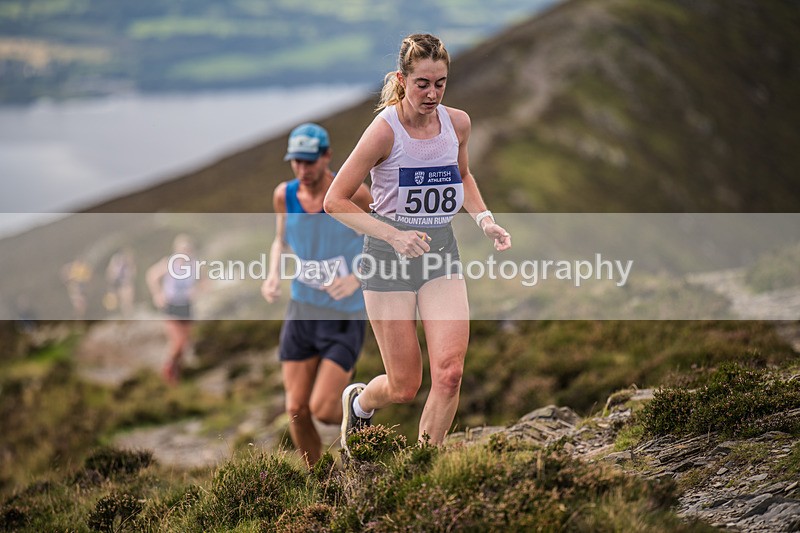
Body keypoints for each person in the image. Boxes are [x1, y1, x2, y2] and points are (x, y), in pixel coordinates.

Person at [323, 34, 512, 455]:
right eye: (422, 83)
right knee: (404, 386)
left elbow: (462, 176)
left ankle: (421, 466)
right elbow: (333, 200)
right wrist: (394, 234)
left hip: (440, 251)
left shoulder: (457, 123)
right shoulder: (384, 131)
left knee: (449, 374)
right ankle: (359, 402)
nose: (432, 93)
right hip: (388, 259)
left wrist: (484, 219)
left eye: (440, 83)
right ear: (401, 79)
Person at [261, 123, 372, 466]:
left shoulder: (355, 194)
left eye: (310, 161)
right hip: (302, 311)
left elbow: (383, 240)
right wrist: (272, 275)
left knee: (324, 411)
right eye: (296, 161)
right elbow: (280, 239)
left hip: (344, 314)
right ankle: (318, 479)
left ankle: (363, 409)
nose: (303, 170)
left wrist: (356, 277)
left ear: (327, 157)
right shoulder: (285, 194)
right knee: (295, 408)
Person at [147, 234, 197, 385]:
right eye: (182, 250)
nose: (185, 253)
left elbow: (206, 281)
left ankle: (177, 371)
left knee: (185, 343)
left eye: (188, 250)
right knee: (178, 341)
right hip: (171, 306)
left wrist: (198, 290)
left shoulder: (195, 265)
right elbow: (152, 275)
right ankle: (168, 370)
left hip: (186, 306)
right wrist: (157, 294)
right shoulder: (169, 263)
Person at [105, 247, 136, 317]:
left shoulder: (129, 262)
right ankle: (121, 315)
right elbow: (110, 271)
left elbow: (133, 271)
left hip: (126, 282)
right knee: (116, 301)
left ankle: (128, 314)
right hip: (117, 282)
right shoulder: (116, 260)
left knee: (127, 300)